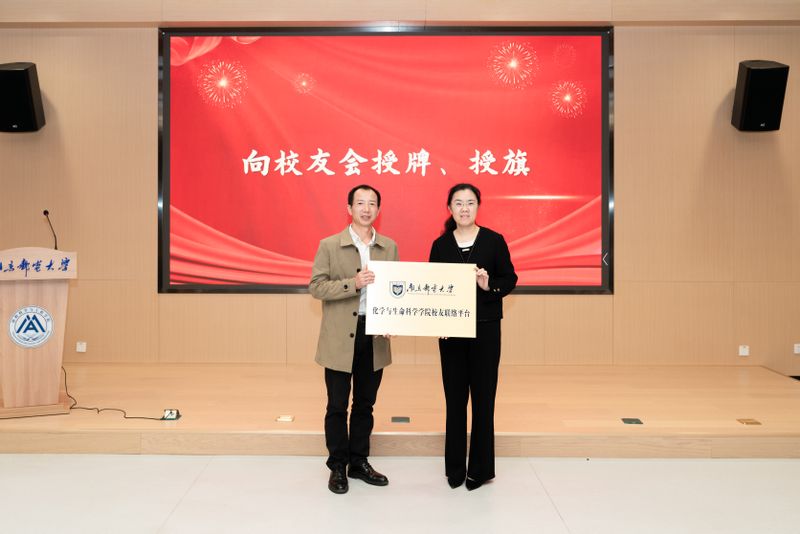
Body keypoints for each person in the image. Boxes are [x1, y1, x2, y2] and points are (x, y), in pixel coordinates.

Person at [309, 184, 399, 495]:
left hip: (374, 335)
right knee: (337, 405)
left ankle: (359, 462)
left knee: (365, 404)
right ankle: (337, 465)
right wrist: (354, 283)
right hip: (339, 337)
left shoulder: (389, 247)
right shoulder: (330, 245)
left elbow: (396, 291)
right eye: (360, 203)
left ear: (378, 210)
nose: (366, 208)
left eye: (372, 203)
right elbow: (316, 287)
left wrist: (393, 318)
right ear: (349, 208)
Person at [428, 183, 517, 491]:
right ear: (449, 208)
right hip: (451, 332)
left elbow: (510, 278)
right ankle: (454, 469)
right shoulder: (440, 245)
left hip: (486, 330)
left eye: (470, 203)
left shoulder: (494, 240)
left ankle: (480, 470)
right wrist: (436, 321)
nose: (464, 208)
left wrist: (489, 285)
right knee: (454, 401)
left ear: (478, 207)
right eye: (458, 203)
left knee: (483, 400)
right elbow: (431, 288)